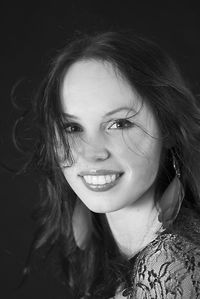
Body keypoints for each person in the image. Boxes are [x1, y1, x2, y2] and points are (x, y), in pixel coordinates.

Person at [19, 31, 200, 298]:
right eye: (71, 127)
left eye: (119, 124)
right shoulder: (132, 257)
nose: (92, 153)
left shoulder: (172, 267)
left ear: (169, 130)